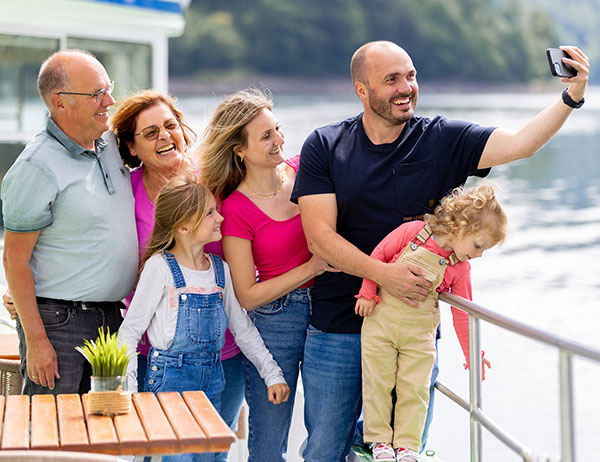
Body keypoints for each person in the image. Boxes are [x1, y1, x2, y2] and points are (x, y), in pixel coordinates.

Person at [291, 40, 589, 461]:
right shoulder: (325, 144)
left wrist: (571, 95)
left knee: (404, 451)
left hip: (414, 329)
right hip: (338, 327)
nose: (406, 87)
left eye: (410, 76)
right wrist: (383, 274)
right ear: (362, 89)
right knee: (323, 451)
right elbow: (319, 237)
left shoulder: (442, 138)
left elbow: (522, 143)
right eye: (391, 79)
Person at [198, 88, 335, 462]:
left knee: (328, 432)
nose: (279, 140)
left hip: (328, 311)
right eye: (266, 136)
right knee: (269, 442)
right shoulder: (235, 208)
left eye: (277, 129)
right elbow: (247, 294)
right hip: (275, 320)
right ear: (239, 150)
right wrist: (310, 268)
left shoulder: (304, 170)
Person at [110, 91, 246, 461]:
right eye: (150, 133)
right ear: (131, 148)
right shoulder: (123, 192)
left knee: (212, 455)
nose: (165, 137)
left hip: (225, 352)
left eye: (170, 126)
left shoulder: (216, 183)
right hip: (154, 357)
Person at [117, 174, 290, 462]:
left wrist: (272, 374)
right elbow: (129, 333)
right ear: (184, 226)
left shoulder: (221, 270)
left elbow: (243, 329)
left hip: (212, 385)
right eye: (210, 213)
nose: (220, 218)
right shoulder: (159, 269)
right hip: (169, 387)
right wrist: (130, 395)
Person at [1, 49, 138, 395]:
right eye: (96, 94)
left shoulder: (108, 142)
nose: (109, 100)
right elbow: (14, 260)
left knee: (104, 438)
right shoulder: (36, 167)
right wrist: (36, 340)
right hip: (59, 327)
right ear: (59, 103)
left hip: (111, 322)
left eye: (108, 88)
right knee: (53, 439)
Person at [355, 185, 506, 462]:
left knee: (415, 388)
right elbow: (377, 257)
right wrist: (367, 292)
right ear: (461, 226)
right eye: (479, 245)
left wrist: (473, 355)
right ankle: (379, 442)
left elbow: (463, 316)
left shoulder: (460, 269)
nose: (479, 254)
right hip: (380, 325)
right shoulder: (413, 233)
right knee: (378, 383)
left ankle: (407, 446)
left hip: (419, 335)